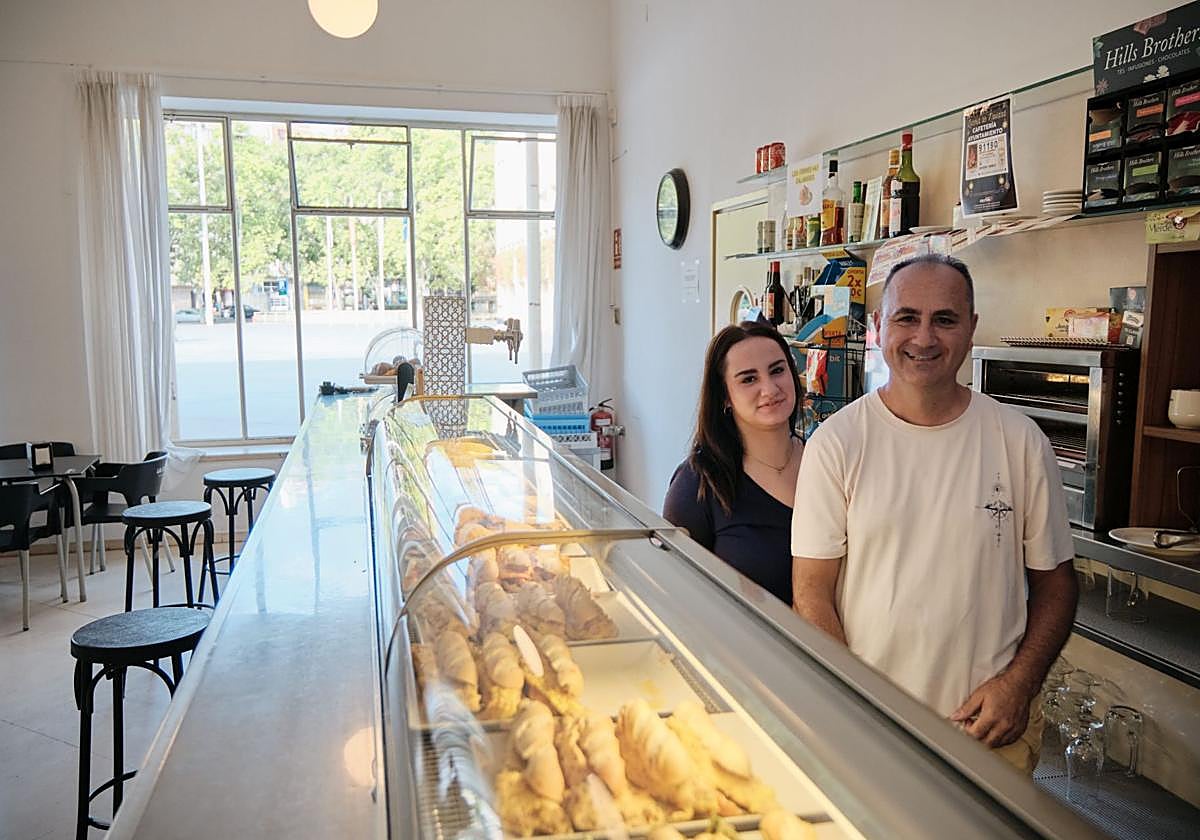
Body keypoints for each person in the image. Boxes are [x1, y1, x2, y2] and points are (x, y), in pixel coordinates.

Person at [790, 254, 1077, 773]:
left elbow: (1056, 585)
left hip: (988, 734)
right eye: (907, 317)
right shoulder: (837, 443)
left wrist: (1019, 685)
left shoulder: (1020, 442)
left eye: (944, 319)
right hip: (869, 732)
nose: (924, 338)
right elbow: (812, 591)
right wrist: (857, 702)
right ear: (878, 328)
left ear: (971, 330)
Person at [664, 322, 803, 605]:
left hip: (833, 647)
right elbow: (674, 593)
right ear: (725, 397)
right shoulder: (697, 483)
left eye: (777, 370)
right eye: (748, 379)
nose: (769, 388)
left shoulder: (827, 461)